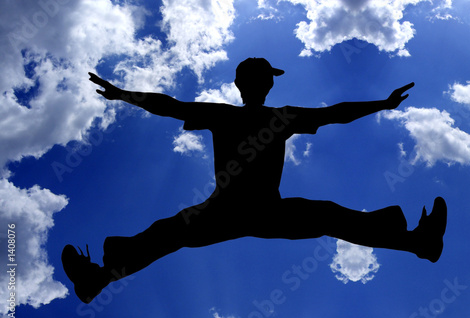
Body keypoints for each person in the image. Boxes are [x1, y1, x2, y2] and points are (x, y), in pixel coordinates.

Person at [62, 58, 447, 304]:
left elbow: (170, 106)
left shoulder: (224, 114)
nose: (268, 83)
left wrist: (122, 94)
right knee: (328, 217)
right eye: (267, 78)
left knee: (168, 233)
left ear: (238, 85)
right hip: (263, 210)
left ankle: (98, 279)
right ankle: (415, 242)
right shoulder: (280, 116)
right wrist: (381, 103)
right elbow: (334, 114)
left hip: (227, 210)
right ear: (264, 84)